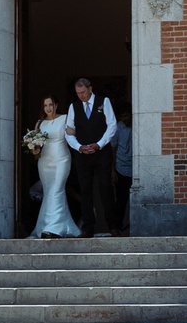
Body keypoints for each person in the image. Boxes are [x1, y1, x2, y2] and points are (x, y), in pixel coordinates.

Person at [62, 76, 120, 237]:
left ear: (90, 89)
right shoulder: (74, 106)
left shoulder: (104, 102)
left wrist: (99, 144)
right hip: (82, 155)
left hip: (102, 153)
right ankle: (88, 227)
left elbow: (112, 126)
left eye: (83, 92)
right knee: (85, 191)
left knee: (105, 188)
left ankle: (113, 226)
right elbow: (69, 131)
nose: (81, 95)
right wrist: (79, 147)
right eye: (78, 93)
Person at [29, 96, 78, 238]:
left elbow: (73, 134)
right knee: (50, 192)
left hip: (62, 159)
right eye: (45, 105)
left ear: (56, 105)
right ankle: (65, 227)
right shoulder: (40, 123)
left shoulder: (65, 118)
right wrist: (34, 148)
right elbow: (36, 146)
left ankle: (53, 228)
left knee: (57, 189)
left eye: (51, 104)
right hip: (45, 161)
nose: (48, 108)